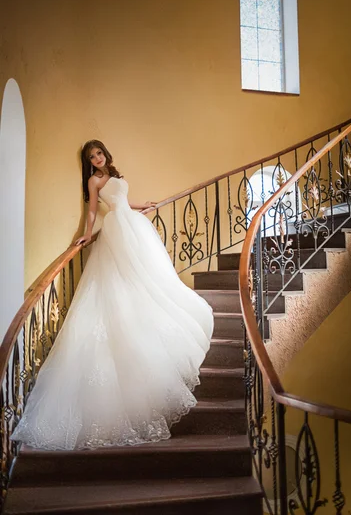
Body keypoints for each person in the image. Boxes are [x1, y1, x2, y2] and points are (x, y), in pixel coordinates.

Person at [11, 140, 213, 450]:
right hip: (117, 230)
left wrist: (140, 204)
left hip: (132, 223)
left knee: (146, 276)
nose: (97, 159)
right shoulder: (94, 181)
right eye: (91, 157)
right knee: (123, 278)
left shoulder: (115, 175)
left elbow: (121, 201)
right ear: (89, 163)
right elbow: (93, 210)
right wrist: (87, 233)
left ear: (106, 154)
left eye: (99, 153)